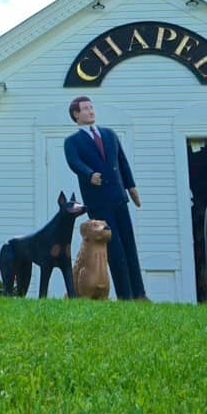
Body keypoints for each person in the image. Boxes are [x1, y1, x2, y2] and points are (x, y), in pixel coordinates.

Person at [63, 95, 147, 300]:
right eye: (85, 109)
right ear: (76, 114)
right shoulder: (72, 141)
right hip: (98, 202)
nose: (91, 111)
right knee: (115, 248)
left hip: (119, 197)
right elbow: (74, 162)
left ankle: (139, 294)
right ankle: (125, 295)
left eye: (92, 108)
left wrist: (131, 187)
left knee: (129, 245)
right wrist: (89, 174)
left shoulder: (109, 134)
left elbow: (123, 162)